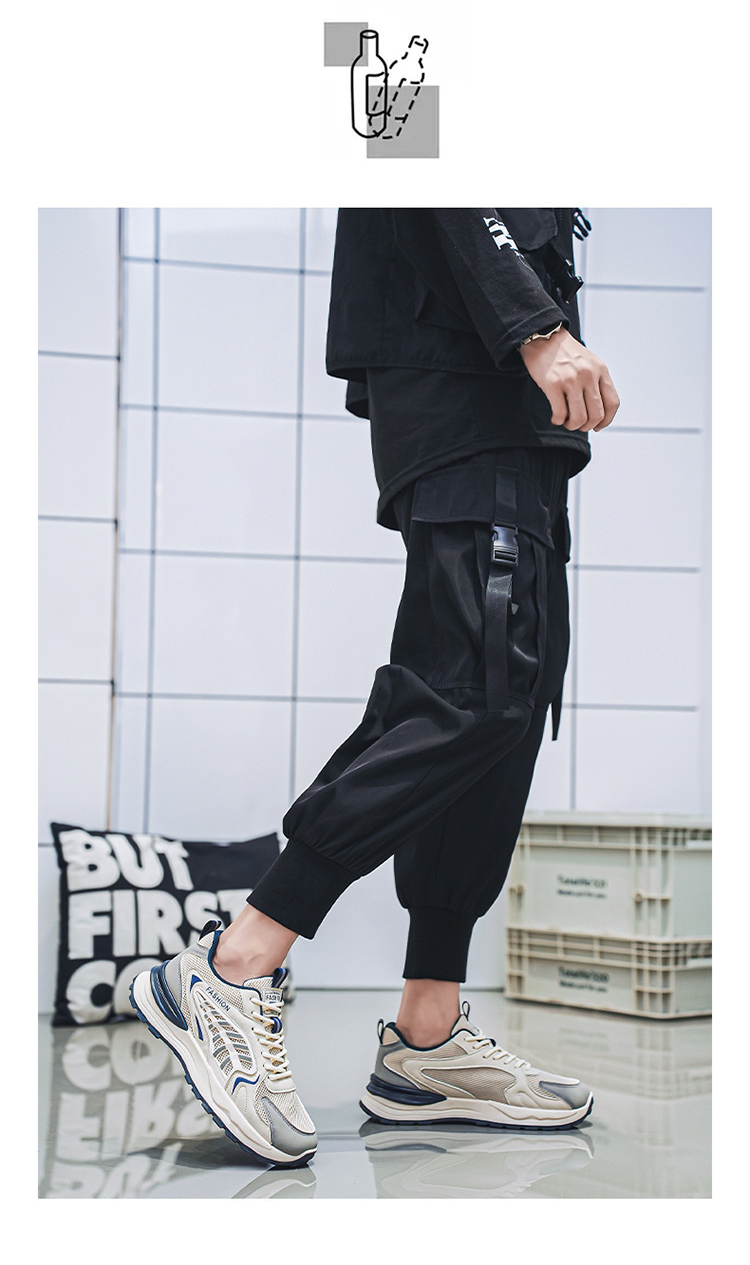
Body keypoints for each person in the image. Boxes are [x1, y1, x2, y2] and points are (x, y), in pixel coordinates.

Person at [130, 208, 620, 1168]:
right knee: (474, 690)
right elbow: (410, 148)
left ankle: (427, 1038)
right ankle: (233, 963)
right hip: (468, 382)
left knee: (510, 703)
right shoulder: (425, 95)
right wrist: (535, 325)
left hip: (517, 417)